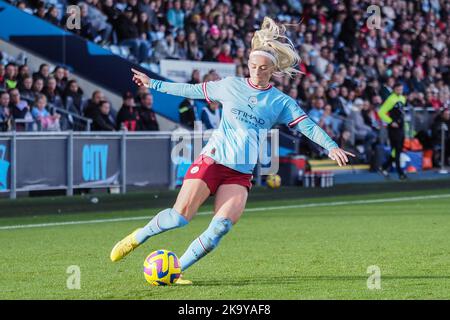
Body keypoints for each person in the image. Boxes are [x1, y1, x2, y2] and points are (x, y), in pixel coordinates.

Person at [110, 17, 354, 284]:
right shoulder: (230, 86)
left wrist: (330, 146)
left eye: (262, 68)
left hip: (240, 173)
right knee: (179, 218)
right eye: (252, 66)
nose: (256, 72)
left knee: (220, 228)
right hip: (213, 161)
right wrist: (153, 83)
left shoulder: (280, 102)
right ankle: (138, 236)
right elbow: (189, 90)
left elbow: (307, 125)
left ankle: (176, 270)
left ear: (272, 69)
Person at [378, 82, 407, 180]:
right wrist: (391, 122)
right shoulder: (391, 99)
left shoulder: (402, 98)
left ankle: (384, 167)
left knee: (397, 150)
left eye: (401, 89)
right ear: (394, 89)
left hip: (401, 127)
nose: (400, 91)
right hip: (394, 129)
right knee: (397, 149)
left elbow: (402, 114)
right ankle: (400, 173)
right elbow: (381, 112)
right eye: (398, 89)